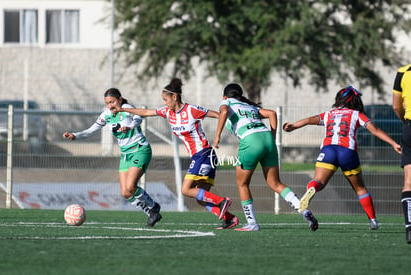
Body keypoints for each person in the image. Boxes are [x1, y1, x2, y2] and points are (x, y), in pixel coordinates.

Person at [117, 78, 237, 229]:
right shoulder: (167, 112)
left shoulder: (192, 110)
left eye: (166, 99)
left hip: (204, 153)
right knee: (200, 197)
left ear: (175, 97)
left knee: (185, 189)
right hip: (199, 156)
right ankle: (229, 219)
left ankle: (221, 201)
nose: (164, 102)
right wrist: (123, 109)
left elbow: (220, 115)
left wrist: (232, 123)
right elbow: (146, 112)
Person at [284, 85, 402, 230]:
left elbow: (309, 120)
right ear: (355, 101)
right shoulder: (356, 114)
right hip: (347, 151)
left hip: (328, 150)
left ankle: (312, 189)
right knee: (360, 189)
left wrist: (293, 126)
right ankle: (372, 221)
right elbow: (375, 130)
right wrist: (393, 143)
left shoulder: (329, 114)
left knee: (318, 181)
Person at [213, 83, 319, 232]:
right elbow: (272, 114)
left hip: (250, 140)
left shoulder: (226, 102)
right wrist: (273, 138)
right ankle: (304, 211)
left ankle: (252, 223)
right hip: (267, 139)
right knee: (275, 183)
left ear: (225, 96)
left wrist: (217, 136)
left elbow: (223, 113)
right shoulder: (248, 106)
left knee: (242, 184)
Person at [63, 88, 162, 227]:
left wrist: (130, 127)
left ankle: (153, 207)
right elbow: (91, 131)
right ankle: (151, 213)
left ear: (120, 100)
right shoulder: (106, 115)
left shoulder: (127, 108)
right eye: (107, 103)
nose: (110, 105)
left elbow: (138, 119)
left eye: (112, 102)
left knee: (131, 186)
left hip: (140, 149)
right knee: (125, 193)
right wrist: (75, 135)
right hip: (126, 155)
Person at [392, 63, 411, 243]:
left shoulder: (403, 72)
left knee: (408, 182)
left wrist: (405, 122)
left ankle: (409, 226)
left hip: (410, 127)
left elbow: (397, 107)